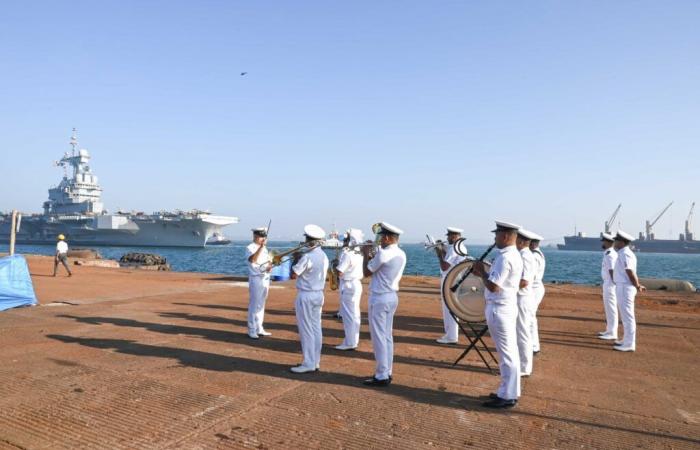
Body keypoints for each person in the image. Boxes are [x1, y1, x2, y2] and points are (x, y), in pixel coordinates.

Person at [472, 221, 523, 408]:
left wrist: (481, 273)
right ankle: (508, 390)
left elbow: (494, 286)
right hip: (506, 307)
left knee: (506, 354)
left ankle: (508, 395)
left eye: (496, 235)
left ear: (505, 236)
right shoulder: (513, 255)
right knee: (509, 352)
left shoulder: (504, 258)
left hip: (499, 308)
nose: (494, 239)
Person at [361, 222, 407, 386]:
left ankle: (381, 375)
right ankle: (387, 371)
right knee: (387, 336)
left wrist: (366, 254)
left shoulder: (383, 254)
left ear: (388, 238)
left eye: (381, 237)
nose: (379, 240)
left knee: (379, 337)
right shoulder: (401, 253)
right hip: (391, 296)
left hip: (379, 298)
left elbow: (366, 272)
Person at [290, 224, 329, 373]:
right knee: (316, 328)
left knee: (306, 329)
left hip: (306, 295)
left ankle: (308, 363)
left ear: (309, 240)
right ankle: (315, 361)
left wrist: (296, 258)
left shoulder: (307, 256)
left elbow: (294, 275)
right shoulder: (323, 255)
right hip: (319, 294)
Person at [612, 230, 646, 352]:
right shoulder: (622, 253)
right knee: (625, 315)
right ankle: (626, 340)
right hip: (622, 286)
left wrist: (637, 285)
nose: (614, 242)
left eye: (616, 240)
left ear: (622, 242)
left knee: (628, 316)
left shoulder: (625, 254)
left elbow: (630, 271)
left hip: (626, 287)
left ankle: (630, 343)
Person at [436, 227, 467, 344]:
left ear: (454, 236)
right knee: (449, 308)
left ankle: (452, 336)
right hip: (453, 279)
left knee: (450, 309)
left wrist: (439, 253)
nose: (447, 238)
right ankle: (449, 334)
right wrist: (441, 249)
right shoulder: (458, 247)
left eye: (448, 236)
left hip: (451, 280)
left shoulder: (455, 248)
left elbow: (445, 266)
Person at [335, 228, 365, 351]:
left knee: (348, 315)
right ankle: (352, 340)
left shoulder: (348, 254)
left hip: (348, 285)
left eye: (347, 239)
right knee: (355, 314)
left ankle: (350, 342)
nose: (345, 241)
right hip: (356, 284)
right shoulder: (360, 253)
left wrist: (335, 267)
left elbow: (340, 272)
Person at [515, 229, 536, 377]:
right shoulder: (522, 255)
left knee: (523, 332)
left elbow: (524, 281)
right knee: (519, 332)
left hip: (522, 298)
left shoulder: (526, 256)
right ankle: (520, 363)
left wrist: (506, 289)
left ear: (521, 241)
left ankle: (525, 367)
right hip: (518, 297)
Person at [246, 227, 272, 339]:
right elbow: (252, 260)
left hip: (265, 278)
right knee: (254, 304)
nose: (264, 239)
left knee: (261, 305)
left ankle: (259, 328)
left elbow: (266, 261)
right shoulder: (250, 247)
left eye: (264, 237)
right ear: (255, 236)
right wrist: (261, 247)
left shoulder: (265, 248)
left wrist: (270, 265)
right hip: (256, 278)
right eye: (262, 236)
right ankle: (251, 329)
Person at [598, 233, 619, 340]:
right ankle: (609, 330)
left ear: (609, 242)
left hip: (610, 284)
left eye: (604, 241)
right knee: (608, 308)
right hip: (608, 283)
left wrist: (614, 283)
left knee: (611, 309)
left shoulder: (610, 254)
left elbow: (612, 271)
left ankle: (612, 332)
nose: (603, 243)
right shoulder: (608, 253)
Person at [529, 233, 546, 354]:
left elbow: (531, 276)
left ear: (533, 243)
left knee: (529, 317)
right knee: (529, 317)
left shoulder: (534, 256)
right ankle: (532, 344)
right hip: (535, 288)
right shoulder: (536, 254)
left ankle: (534, 346)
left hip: (534, 289)